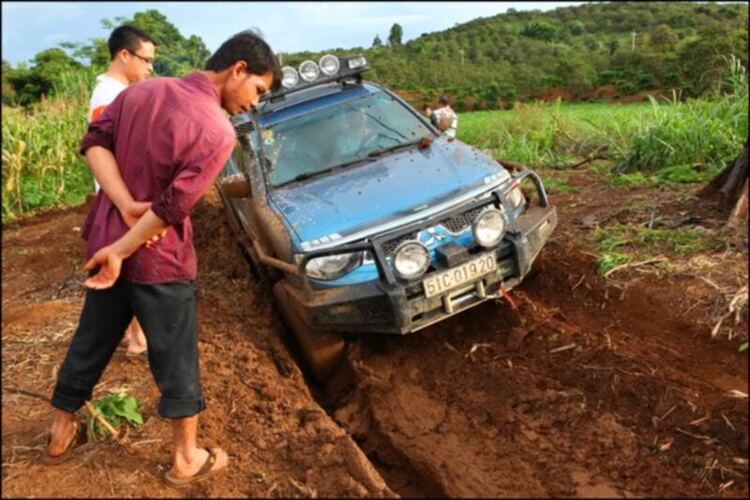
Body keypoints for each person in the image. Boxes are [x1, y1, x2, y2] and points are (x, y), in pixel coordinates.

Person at [43, 30, 281, 486]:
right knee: (176, 358)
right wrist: (128, 243)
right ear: (237, 70)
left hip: (107, 242)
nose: (254, 103)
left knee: (91, 340)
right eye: (258, 90)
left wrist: (122, 212)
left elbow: (94, 142)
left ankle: (59, 432)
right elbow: (172, 207)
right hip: (158, 260)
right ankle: (186, 458)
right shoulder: (217, 131)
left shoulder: (143, 92)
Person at [89, 24, 157, 357]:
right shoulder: (109, 97)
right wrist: (125, 202)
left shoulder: (117, 93)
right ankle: (137, 338)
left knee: (128, 262)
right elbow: (104, 152)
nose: (148, 68)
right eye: (146, 60)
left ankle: (134, 335)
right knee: (131, 264)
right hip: (121, 198)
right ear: (124, 54)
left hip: (122, 197)